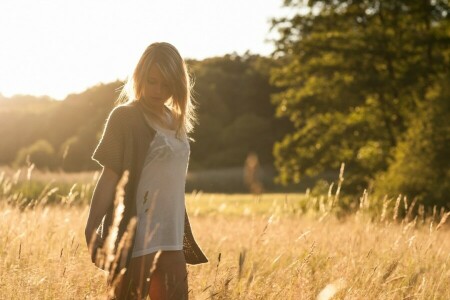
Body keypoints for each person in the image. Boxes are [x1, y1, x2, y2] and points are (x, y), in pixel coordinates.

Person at [84, 42, 208, 300]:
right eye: (152, 81)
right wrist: (91, 226)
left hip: (173, 237)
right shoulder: (125, 117)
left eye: (167, 84)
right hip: (137, 239)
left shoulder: (176, 120)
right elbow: (109, 176)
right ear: (140, 76)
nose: (158, 90)